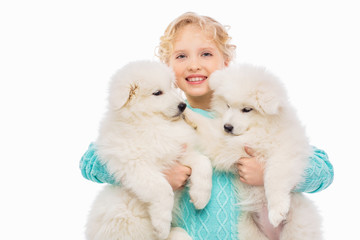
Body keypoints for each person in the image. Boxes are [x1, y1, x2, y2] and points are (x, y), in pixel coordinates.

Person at [80, 12, 334, 240]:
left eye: (206, 54)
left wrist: (268, 172)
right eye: (181, 56)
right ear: (168, 67)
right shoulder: (155, 117)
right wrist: (153, 174)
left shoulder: (251, 113)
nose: (194, 64)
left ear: (226, 62)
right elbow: (91, 163)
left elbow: (323, 171)